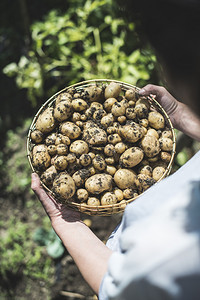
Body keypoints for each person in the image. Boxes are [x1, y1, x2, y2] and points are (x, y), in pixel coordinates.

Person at [31, 0, 200, 299]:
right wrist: (184, 115)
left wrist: (66, 223)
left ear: (177, 71)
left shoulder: (176, 249)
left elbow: (117, 288)